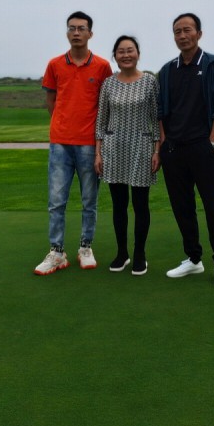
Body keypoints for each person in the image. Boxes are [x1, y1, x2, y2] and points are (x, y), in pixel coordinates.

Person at [34, 11, 113, 276]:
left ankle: (85, 247)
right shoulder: (54, 64)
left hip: (89, 143)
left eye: (81, 28)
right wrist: (62, 124)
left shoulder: (102, 66)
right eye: (71, 28)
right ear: (67, 32)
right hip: (60, 143)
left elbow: (105, 104)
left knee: (89, 200)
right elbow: (51, 101)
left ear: (90, 33)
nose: (76, 32)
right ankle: (57, 252)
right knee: (57, 201)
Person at [157, 13, 214, 287]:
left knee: (213, 207)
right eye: (177, 31)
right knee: (183, 207)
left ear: (198, 33)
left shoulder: (213, 64)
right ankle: (193, 258)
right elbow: (161, 110)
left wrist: (213, 140)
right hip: (174, 150)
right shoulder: (168, 70)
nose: (182, 35)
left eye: (187, 30)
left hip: (203, 146)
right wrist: (163, 142)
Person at [94, 36, 160, 276]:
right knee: (119, 205)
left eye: (130, 50)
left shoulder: (150, 82)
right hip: (114, 148)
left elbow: (156, 118)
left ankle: (140, 254)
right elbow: (101, 119)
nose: (126, 55)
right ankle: (122, 253)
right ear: (115, 56)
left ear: (138, 54)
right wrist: (98, 152)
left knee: (140, 204)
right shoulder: (109, 83)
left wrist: (157, 150)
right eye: (121, 51)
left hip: (141, 147)